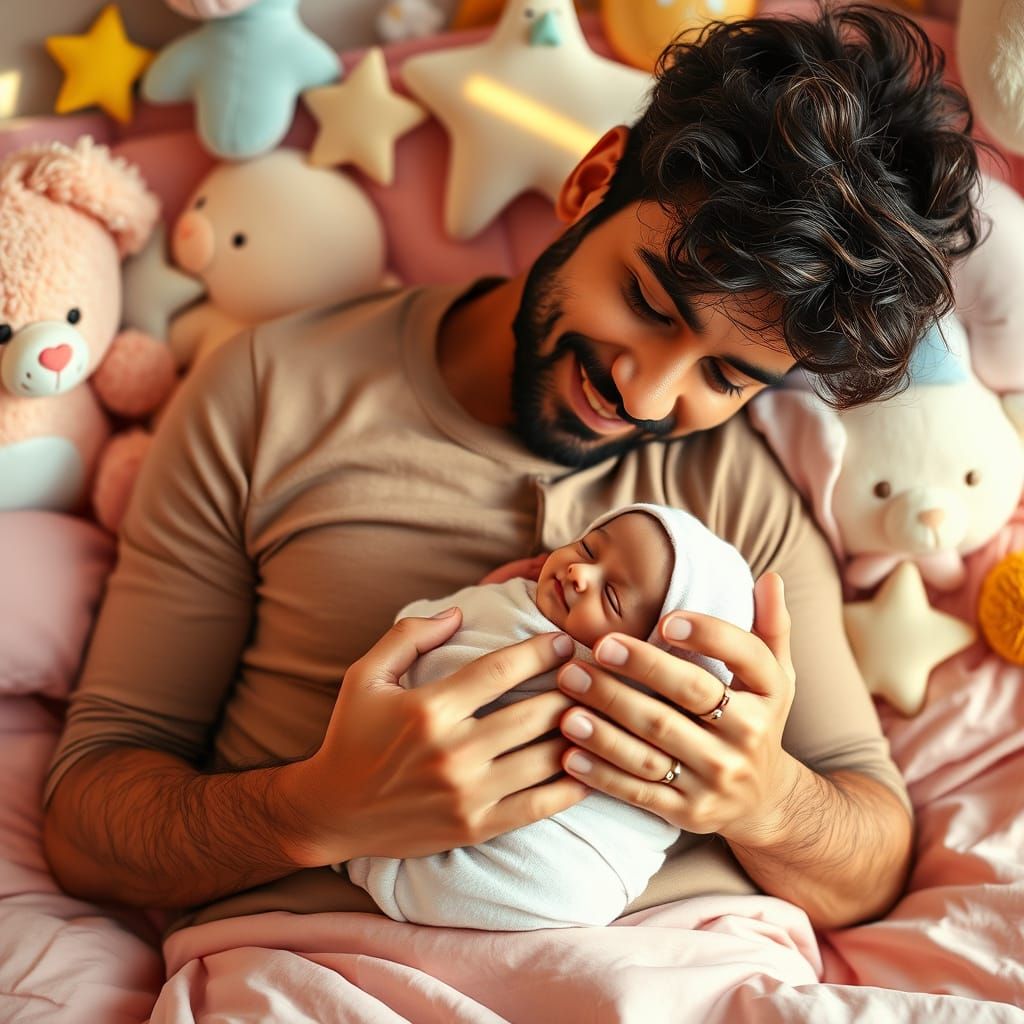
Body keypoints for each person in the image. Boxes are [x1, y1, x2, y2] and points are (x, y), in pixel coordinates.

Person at [42, 4, 980, 936]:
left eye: (726, 375)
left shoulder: (744, 496)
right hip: (329, 965)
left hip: (671, 973)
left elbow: (872, 859)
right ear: (591, 182)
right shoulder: (270, 389)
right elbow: (89, 821)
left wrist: (765, 800)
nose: (647, 397)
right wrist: (314, 811)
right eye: (649, 304)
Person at [346, 503, 755, 930]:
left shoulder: (617, 686)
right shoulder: (518, 609)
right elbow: (443, 672)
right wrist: (486, 603)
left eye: (612, 596)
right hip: (571, 885)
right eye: (588, 548)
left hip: (569, 851)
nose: (581, 574)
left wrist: (475, 610)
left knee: (543, 882)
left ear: (655, 662)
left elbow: (425, 656)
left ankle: (376, 864)